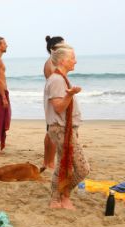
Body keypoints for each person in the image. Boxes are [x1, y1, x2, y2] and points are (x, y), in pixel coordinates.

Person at [45, 45, 89, 210]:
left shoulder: (60, 78)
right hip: (61, 129)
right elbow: (58, 107)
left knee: (63, 165)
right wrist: (70, 95)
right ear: (63, 61)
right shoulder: (57, 80)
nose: (75, 61)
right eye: (73, 58)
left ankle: (58, 199)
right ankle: (63, 195)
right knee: (83, 168)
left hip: (65, 128)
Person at [43, 36, 67, 171]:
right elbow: (55, 84)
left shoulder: (52, 62)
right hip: (54, 98)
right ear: (54, 48)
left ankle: (47, 161)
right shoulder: (51, 63)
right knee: (52, 131)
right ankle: (49, 162)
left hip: (53, 97)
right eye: (62, 45)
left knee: (49, 132)